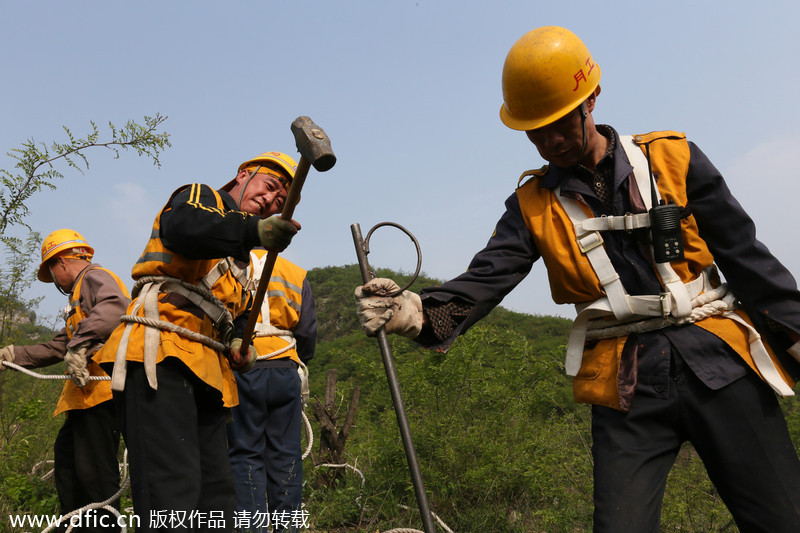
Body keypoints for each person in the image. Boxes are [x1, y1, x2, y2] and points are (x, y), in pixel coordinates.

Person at [355, 26, 800, 532]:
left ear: (591, 100)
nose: (550, 142)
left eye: (559, 124)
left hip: (719, 361)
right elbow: (485, 279)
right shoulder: (531, 206)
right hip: (625, 385)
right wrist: (412, 313)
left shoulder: (672, 159)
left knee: (783, 518)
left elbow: (748, 260)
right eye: (535, 132)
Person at [93, 151, 301, 532]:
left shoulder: (241, 264)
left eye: (280, 202)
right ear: (243, 175)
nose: (271, 201)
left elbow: (235, 317)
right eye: (269, 186)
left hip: (210, 375)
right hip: (162, 354)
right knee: (173, 493)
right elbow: (185, 228)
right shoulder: (200, 198)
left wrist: (241, 342)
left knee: (218, 500)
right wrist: (253, 231)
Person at [0, 229, 129, 532]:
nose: (56, 282)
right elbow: (58, 346)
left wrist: (79, 344)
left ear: (60, 263)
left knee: (96, 474)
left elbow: (115, 307)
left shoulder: (95, 278)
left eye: (52, 274)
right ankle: (76, 525)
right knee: (70, 464)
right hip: (85, 399)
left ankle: (105, 527)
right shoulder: (80, 301)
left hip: (100, 396)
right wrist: (11, 355)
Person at [225, 152, 317, 533]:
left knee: (245, 454)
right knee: (286, 456)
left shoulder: (235, 260)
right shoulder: (295, 272)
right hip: (284, 371)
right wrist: (297, 361)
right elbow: (307, 332)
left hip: (245, 365)